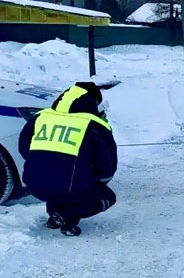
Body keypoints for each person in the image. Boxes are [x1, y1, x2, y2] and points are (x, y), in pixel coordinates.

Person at [19, 82, 117, 236]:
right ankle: (66, 216)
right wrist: (97, 181)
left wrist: (42, 164)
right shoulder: (94, 125)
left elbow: (23, 148)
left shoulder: (41, 117)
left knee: (60, 185)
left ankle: (57, 217)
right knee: (107, 197)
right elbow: (107, 168)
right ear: (93, 102)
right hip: (69, 186)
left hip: (34, 183)